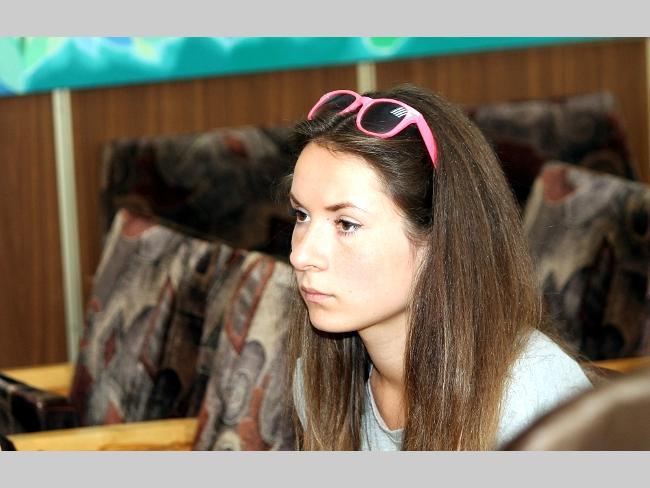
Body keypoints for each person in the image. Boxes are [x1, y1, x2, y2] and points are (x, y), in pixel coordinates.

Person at [284, 84, 591, 450]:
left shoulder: (528, 397)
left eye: (346, 224)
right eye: (301, 215)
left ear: (440, 236)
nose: (301, 256)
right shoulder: (318, 384)